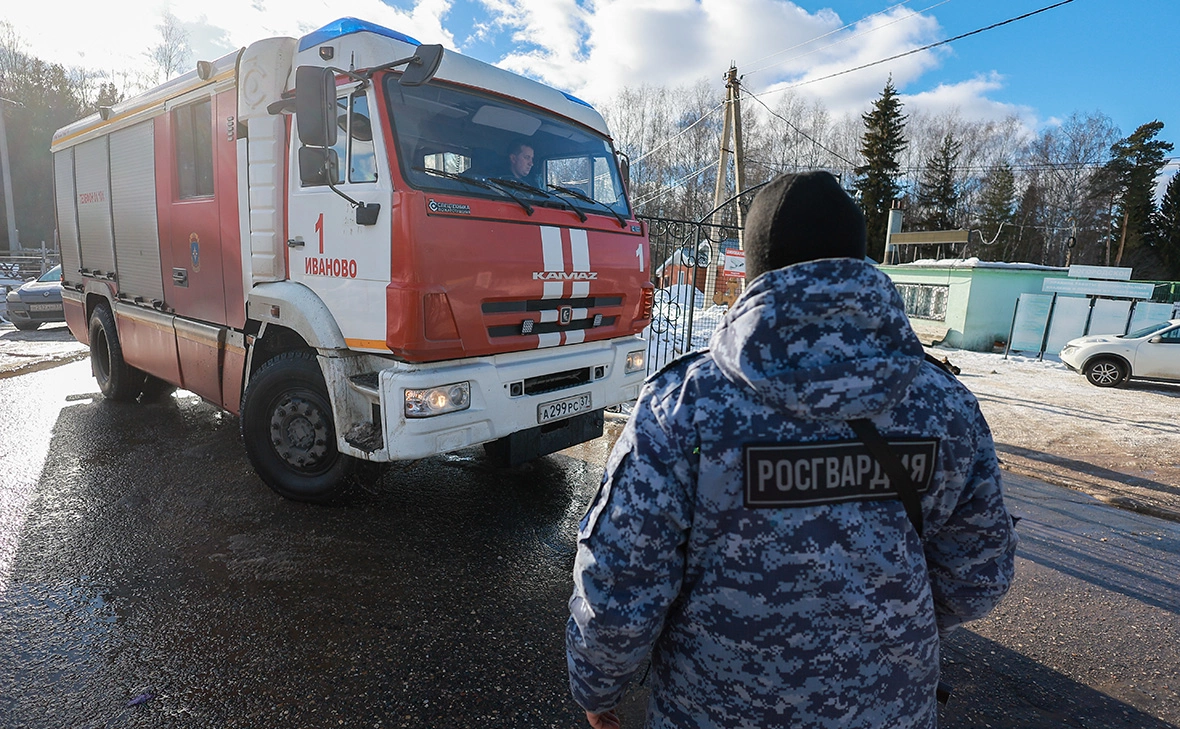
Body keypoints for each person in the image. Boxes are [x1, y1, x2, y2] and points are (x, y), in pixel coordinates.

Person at [565, 171, 1018, 729]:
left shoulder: (685, 407)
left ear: (756, 270)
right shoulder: (945, 407)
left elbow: (622, 578)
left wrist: (598, 686)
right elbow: (977, 574)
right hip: (887, 710)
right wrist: (879, 627)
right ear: (859, 262)